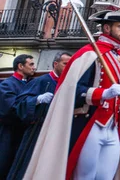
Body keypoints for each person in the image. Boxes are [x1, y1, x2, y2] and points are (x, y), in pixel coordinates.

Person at [24, 10, 120, 180]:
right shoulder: (90, 54)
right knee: (85, 176)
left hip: (113, 126)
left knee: (106, 176)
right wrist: (103, 93)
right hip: (90, 122)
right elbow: (73, 90)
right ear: (106, 28)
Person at [7, 52, 71, 180]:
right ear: (55, 64)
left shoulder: (69, 84)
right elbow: (19, 104)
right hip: (37, 131)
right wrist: (37, 99)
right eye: (65, 64)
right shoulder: (41, 81)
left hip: (58, 132)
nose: (68, 67)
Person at [0, 54, 35, 178]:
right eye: (31, 64)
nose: (34, 68)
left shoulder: (28, 83)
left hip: (22, 133)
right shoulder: (8, 84)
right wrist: (35, 102)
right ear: (20, 66)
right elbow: (10, 108)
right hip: (9, 134)